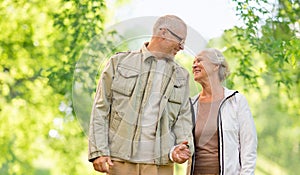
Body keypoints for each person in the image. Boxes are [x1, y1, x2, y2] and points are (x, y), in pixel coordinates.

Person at [88, 15, 194, 175]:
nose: (182, 47)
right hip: (120, 161)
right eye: (180, 40)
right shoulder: (119, 62)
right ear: (163, 33)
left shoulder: (182, 76)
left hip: (161, 165)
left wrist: (183, 146)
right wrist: (98, 151)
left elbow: (183, 118)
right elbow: (101, 109)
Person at [188, 48, 257, 175]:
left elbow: (249, 145)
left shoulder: (236, 101)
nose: (194, 65)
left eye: (199, 60)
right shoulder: (191, 104)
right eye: (193, 62)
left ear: (215, 66)